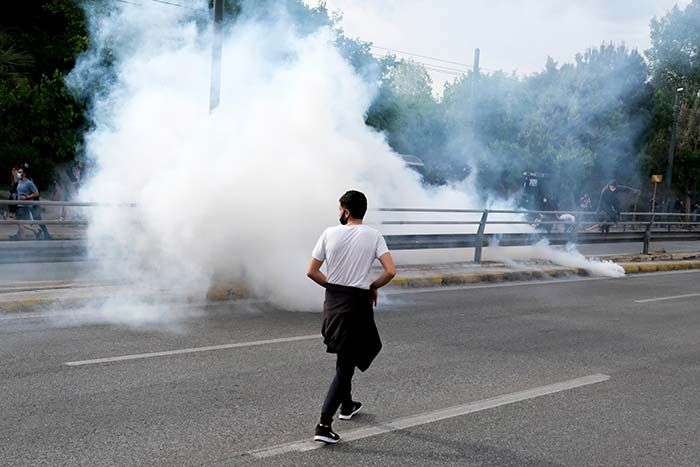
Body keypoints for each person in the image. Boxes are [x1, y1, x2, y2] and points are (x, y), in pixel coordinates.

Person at [306, 190, 396, 444]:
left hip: (333, 303)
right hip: (358, 304)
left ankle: (346, 405)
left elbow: (312, 271)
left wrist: (334, 287)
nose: (338, 214)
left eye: (339, 209)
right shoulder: (374, 235)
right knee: (346, 364)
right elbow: (391, 271)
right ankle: (324, 424)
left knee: (346, 355)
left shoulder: (328, 233)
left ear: (346, 211)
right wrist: (373, 286)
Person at [16, 167, 50, 239]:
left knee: (23, 221)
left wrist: (27, 197)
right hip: (20, 205)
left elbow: (36, 193)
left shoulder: (29, 183)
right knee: (21, 222)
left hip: (26, 206)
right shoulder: (20, 181)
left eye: (20, 172)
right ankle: (20, 235)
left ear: (24, 174)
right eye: (18, 172)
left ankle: (42, 233)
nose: (18, 174)